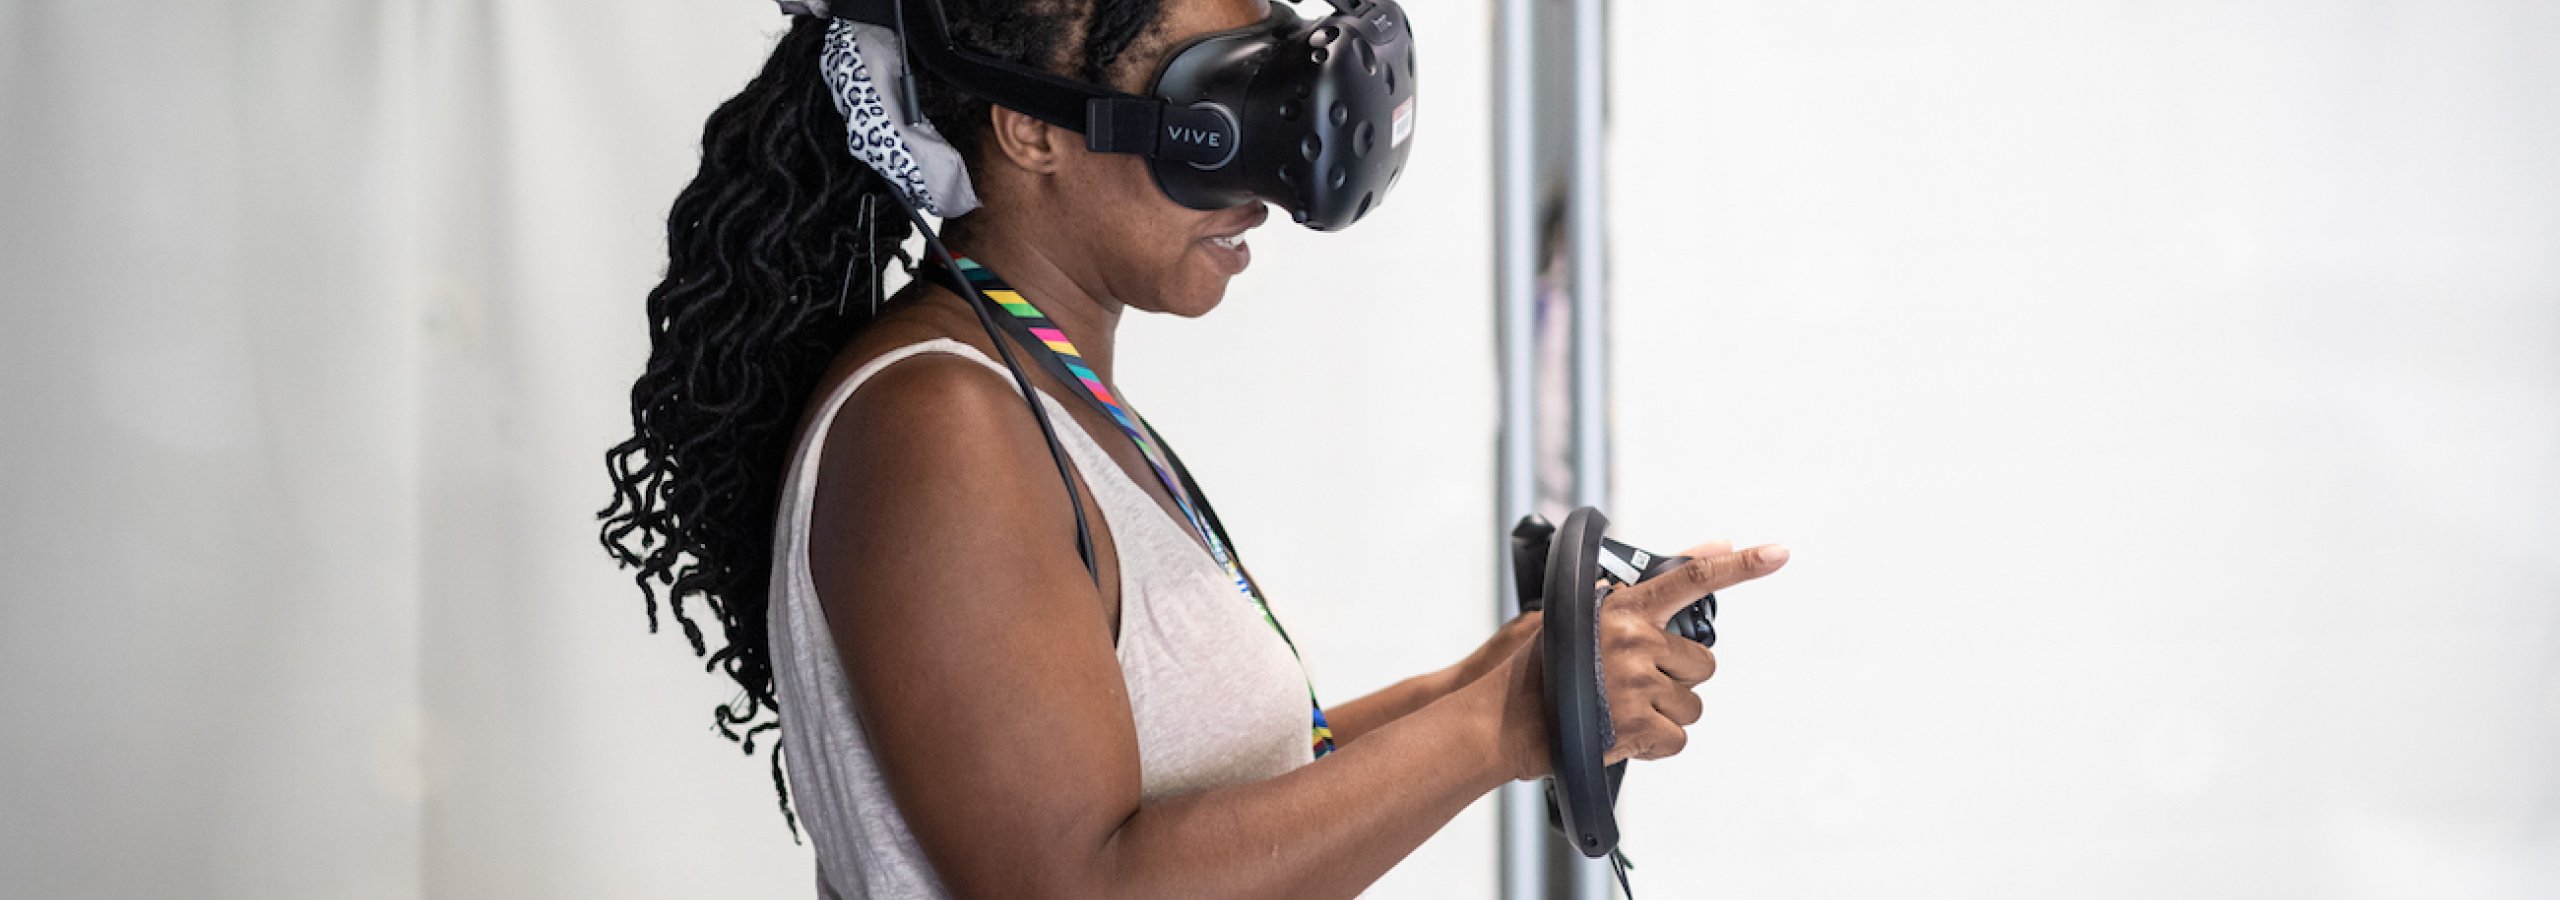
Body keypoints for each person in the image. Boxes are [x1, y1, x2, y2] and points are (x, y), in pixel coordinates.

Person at [599, 0, 1790, 896]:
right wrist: (1498, 729)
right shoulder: (939, 425)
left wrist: (1495, 680)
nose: (1267, 190)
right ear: (1029, 131)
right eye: (1215, 127)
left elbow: (1219, 792)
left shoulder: (1044, 401)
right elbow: (1085, 885)